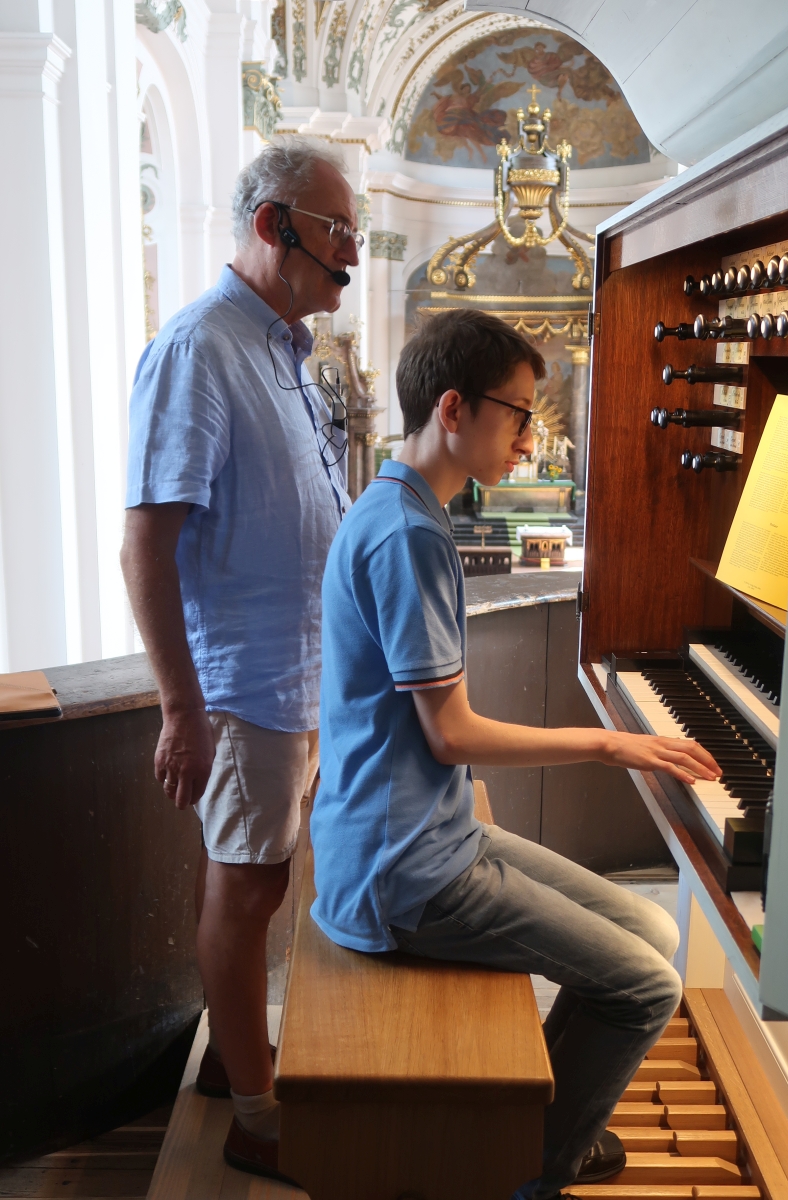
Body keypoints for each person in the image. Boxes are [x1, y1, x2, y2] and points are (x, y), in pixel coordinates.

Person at [310, 309, 721, 1200]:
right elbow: (451, 734)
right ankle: (531, 1174)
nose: (532, 440)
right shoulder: (409, 532)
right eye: (521, 415)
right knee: (649, 990)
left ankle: (532, 1128)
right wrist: (607, 742)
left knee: (654, 933)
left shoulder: (400, 506)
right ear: (454, 408)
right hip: (403, 873)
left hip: (424, 835)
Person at [120, 138, 361, 1180]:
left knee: (255, 880)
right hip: (245, 684)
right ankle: (257, 1119)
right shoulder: (199, 348)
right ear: (272, 224)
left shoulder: (283, 351)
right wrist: (180, 707)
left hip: (297, 676)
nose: (352, 253)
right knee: (247, 885)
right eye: (337, 230)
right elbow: (146, 543)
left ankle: (232, 1057)